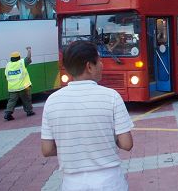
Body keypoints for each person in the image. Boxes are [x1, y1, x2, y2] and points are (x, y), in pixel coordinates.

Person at [41, 41, 133, 191]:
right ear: (89, 67)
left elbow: (46, 149)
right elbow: (127, 144)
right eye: (100, 61)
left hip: (71, 184)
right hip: (110, 182)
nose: (102, 65)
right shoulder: (111, 97)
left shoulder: (52, 101)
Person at [4, 47, 35, 121]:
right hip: (23, 87)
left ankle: (8, 113)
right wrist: (29, 50)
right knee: (26, 99)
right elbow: (28, 58)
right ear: (19, 57)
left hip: (12, 88)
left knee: (11, 101)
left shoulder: (8, 65)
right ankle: (29, 112)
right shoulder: (21, 62)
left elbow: (6, 76)